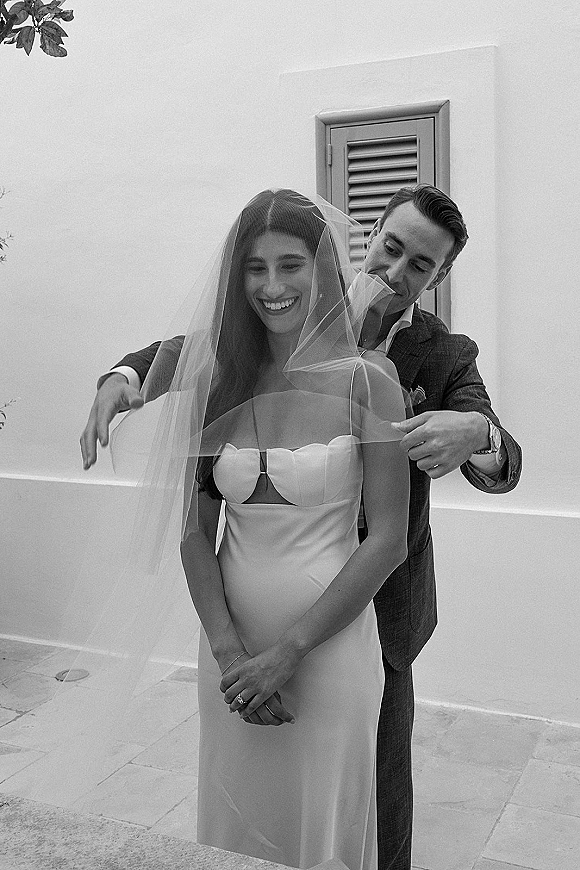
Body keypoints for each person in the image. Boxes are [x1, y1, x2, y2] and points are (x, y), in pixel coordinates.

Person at [80, 185, 522, 870]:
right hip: (236, 637)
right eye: (392, 247)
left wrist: (479, 432)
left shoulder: (439, 355)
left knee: (369, 807)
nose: (397, 270)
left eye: (420, 265)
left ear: (439, 276)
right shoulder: (269, 322)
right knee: (240, 817)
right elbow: (193, 347)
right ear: (369, 236)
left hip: (375, 617)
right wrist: (124, 373)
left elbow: (493, 458)